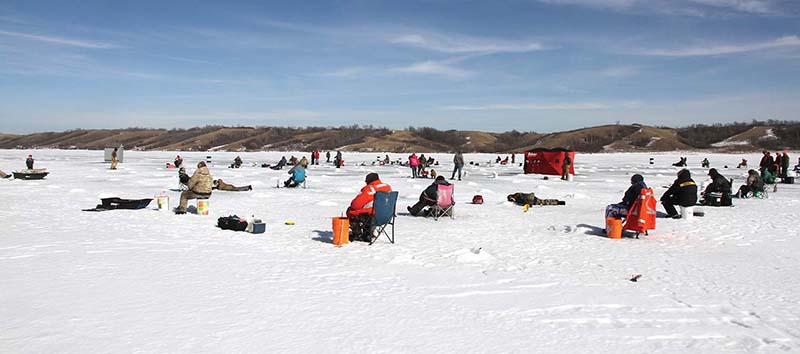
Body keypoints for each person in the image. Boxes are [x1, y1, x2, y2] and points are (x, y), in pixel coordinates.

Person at [346, 173, 392, 242]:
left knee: (351, 211)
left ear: (368, 181)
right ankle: (368, 232)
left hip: (373, 217)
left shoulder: (369, 189)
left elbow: (355, 205)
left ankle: (357, 234)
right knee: (368, 211)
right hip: (387, 217)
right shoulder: (387, 187)